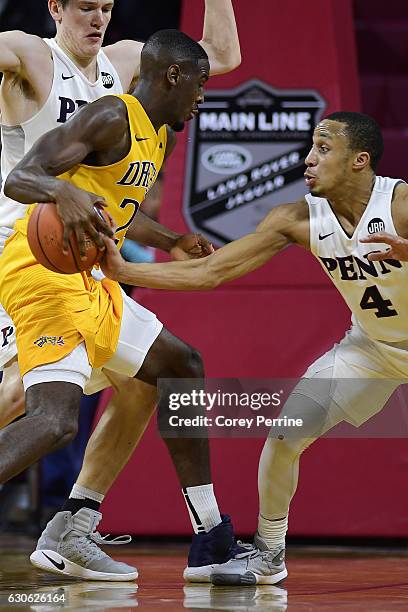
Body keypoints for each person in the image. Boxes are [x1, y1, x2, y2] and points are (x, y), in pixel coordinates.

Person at [99, 111, 408, 585]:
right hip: (373, 349)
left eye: (323, 150)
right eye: (310, 147)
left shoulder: (401, 202)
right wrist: (125, 272)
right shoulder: (298, 219)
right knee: (285, 435)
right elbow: (212, 271)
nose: (308, 160)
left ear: (359, 161)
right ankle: (269, 552)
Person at [0, 0, 241, 581]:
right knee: (32, 408)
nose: (98, 16)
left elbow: (221, 55)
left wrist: (171, 236)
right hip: (28, 248)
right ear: (55, 7)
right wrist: (63, 196)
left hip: (89, 264)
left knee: (161, 375)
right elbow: (27, 176)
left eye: (107, 6)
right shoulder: (31, 53)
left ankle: (80, 526)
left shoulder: (129, 73)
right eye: (85, 6)